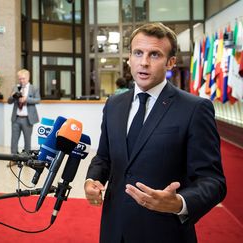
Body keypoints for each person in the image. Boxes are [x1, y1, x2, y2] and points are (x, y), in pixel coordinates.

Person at [84, 22, 226, 243]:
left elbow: (213, 181)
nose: (144, 62)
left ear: (170, 62)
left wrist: (180, 202)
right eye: (138, 53)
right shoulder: (114, 104)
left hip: (164, 231)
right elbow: (104, 157)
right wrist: (92, 179)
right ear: (129, 57)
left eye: (155, 55)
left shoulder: (195, 108)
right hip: (114, 228)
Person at [7, 69, 40, 167]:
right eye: (20, 79)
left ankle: (27, 160)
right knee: (14, 140)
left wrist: (27, 99)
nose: (21, 81)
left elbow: (38, 100)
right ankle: (13, 159)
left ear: (28, 78)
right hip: (16, 118)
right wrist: (13, 96)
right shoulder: (16, 88)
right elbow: (9, 101)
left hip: (28, 119)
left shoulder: (34, 88)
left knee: (27, 140)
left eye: (23, 78)